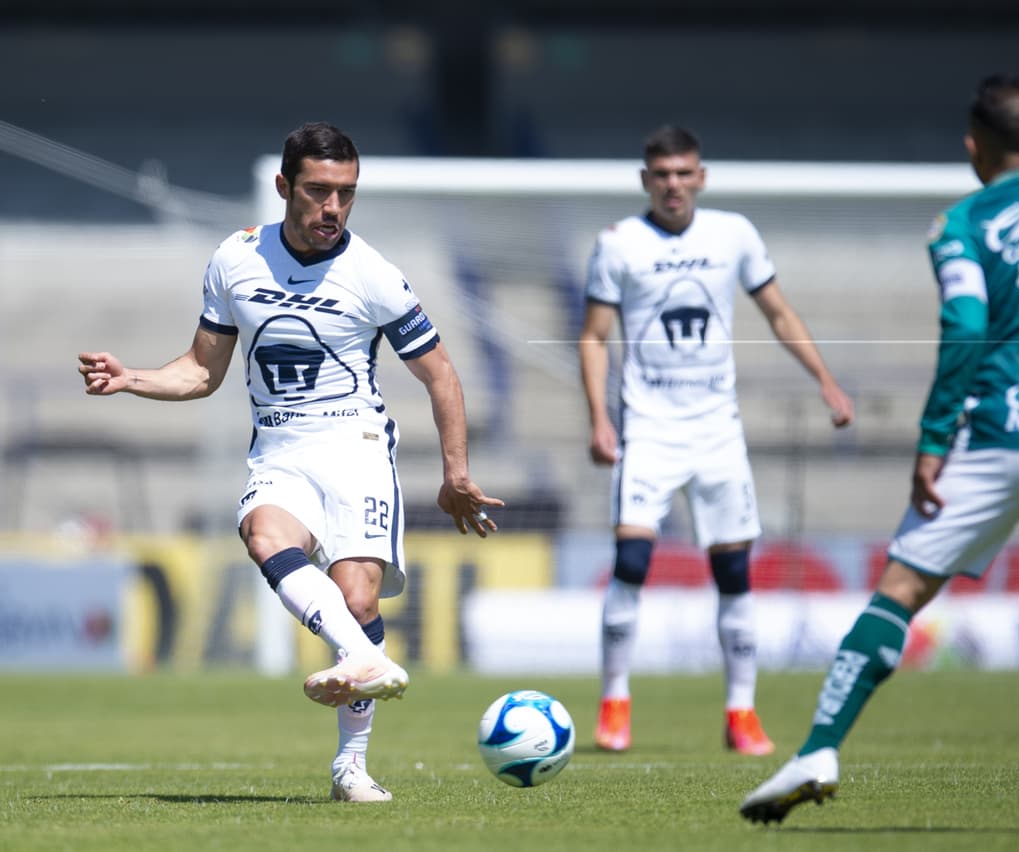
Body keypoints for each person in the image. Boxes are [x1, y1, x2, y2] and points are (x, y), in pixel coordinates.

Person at [739, 73, 1019, 828]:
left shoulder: (963, 222)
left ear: (973, 147)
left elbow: (967, 324)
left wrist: (931, 439)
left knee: (901, 592)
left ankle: (821, 748)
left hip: (1000, 433)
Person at [78, 121, 503, 803]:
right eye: (318, 191)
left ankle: (350, 766)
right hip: (281, 451)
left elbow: (442, 376)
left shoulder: (375, 275)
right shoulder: (235, 260)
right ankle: (366, 659)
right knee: (263, 534)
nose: (333, 207)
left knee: (359, 597)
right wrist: (132, 378)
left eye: (346, 193)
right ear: (284, 188)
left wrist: (455, 474)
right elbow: (200, 371)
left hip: (358, 450)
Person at [579, 125, 855, 756]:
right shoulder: (619, 244)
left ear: (701, 177)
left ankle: (741, 713)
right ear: (645, 180)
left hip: (716, 430)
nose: (673, 184)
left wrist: (826, 382)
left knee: (733, 573)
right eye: (662, 174)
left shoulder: (734, 234)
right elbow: (593, 335)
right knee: (631, 564)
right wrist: (599, 418)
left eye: (684, 173)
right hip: (648, 427)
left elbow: (779, 312)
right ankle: (615, 704)